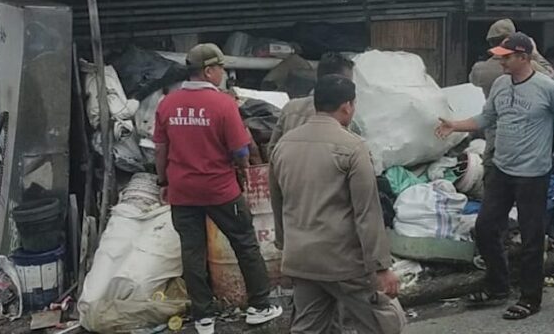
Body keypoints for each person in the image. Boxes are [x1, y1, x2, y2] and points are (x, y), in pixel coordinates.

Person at [437, 32, 554, 321]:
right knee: (485, 227)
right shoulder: (499, 84)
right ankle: (498, 286)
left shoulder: (548, 88)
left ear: (523, 57)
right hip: (501, 169)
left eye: (506, 57)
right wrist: (454, 126)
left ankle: (530, 298)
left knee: (532, 237)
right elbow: (486, 118)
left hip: (533, 174)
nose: (500, 61)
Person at [154, 44, 282, 334]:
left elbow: (160, 150)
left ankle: (203, 318)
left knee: (193, 251)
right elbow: (240, 151)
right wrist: (242, 174)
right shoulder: (223, 104)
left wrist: (163, 182)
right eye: (221, 68)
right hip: (221, 190)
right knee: (245, 244)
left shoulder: (167, 103)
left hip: (183, 192)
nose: (223, 73)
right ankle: (259, 306)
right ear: (209, 71)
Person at [270, 75, 405, 334]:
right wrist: (381, 267)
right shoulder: (352, 147)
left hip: (302, 259)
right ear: (347, 106)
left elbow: (278, 203)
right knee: (386, 323)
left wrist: (284, 246)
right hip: (343, 262)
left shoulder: (283, 146)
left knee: (310, 327)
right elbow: (367, 213)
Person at [269, 52, 355, 147]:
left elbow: (273, 149)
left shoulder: (290, 108)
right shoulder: (341, 113)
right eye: (347, 82)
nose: (350, 87)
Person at [469, 18, 554, 97]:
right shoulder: (527, 66)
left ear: (491, 43)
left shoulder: (479, 69)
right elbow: (550, 78)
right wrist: (535, 54)